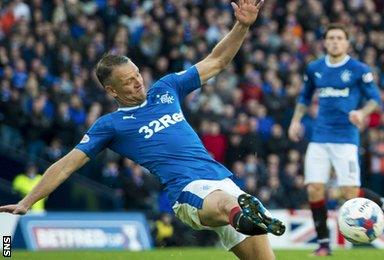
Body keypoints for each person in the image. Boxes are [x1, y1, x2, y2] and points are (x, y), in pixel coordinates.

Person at [0, 1, 284, 259]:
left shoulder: (166, 88)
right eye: (128, 81)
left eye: (137, 73)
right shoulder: (110, 125)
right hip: (187, 191)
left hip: (222, 178)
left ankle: (244, 212)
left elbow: (217, 60)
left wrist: (242, 25)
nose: (138, 81)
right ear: (112, 91)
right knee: (227, 205)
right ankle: (243, 213)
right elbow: (65, 166)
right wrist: (27, 201)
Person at [288, 23, 384, 256]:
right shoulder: (315, 68)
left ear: (347, 42)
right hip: (319, 137)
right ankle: (322, 244)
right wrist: (296, 120)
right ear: (325, 42)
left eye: (339, 38)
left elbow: (375, 100)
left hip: (346, 138)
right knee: (314, 190)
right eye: (331, 38)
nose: (335, 41)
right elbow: (304, 97)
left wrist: (362, 112)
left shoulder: (359, 69)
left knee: (349, 193)